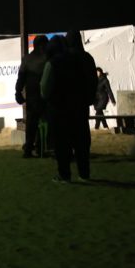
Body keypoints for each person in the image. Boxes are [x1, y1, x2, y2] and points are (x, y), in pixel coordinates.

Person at [41, 31, 97, 183]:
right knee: (81, 141)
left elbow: (45, 89)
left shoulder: (55, 61)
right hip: (80, 106)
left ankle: (64, 175)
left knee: (62, 142)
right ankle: (84, 174)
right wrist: (89, 99)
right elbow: (93, 81)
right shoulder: (86, 58)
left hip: (59, 108)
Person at [15, 35, 50, 157]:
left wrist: (18, 92)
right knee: (45, 122)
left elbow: (21, 78)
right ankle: (40, 148)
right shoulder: (47, 58)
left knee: (32, 123)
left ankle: (29, 149)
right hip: (44, 96)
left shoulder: (27, 59)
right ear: (41, 46)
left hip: (32, 96)